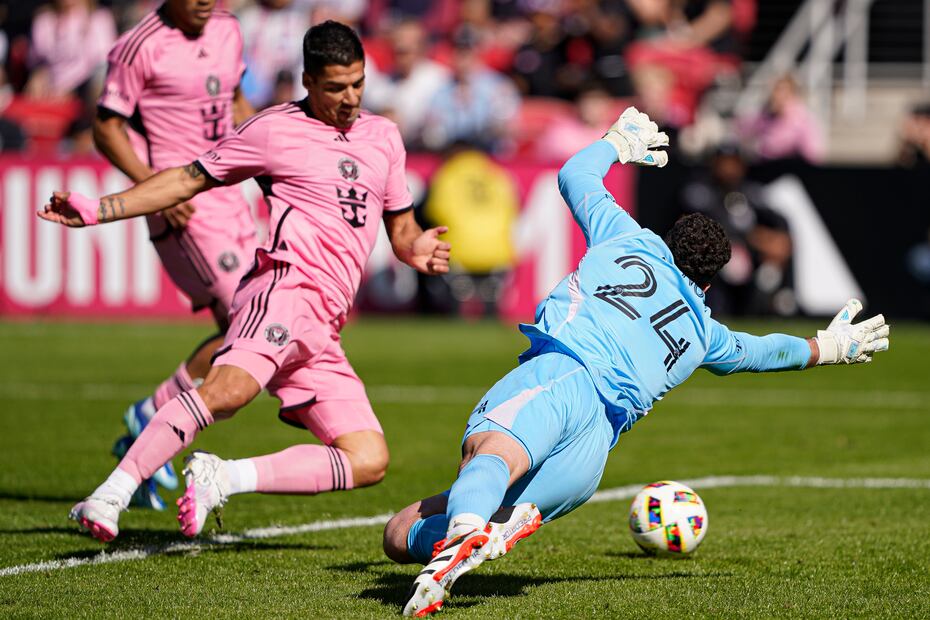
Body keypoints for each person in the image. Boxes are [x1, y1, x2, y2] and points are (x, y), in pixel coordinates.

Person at [380, 107, 890, 617]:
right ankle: (478, 535)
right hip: (590, 454)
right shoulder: (704, 334)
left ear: (666, 242)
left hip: (563, 378)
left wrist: (616, 144)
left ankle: (468, 530)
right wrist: (831, 347)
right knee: (400, 532)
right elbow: (761, 353)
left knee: (488, 453)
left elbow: (573, 174)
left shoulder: (629, 239)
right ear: (709, 284)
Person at [39, 20, 452, 543]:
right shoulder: (274, 130)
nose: (349, 98)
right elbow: (187, 177)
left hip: (324, 327)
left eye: (358, 84)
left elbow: (401, 227)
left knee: (368, 458)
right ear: (307, 80)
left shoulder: (384, 136)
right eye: (335, 87)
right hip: (283, 289)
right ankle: (110, 494)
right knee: (228, 391)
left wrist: (416, 248)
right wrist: (100, 209)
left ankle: (224, 476)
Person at [92, 0, 259, 509]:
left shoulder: (229, 29)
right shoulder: (138, 46)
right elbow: (105, 128)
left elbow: (234, 103)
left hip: (230, 196)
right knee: (245, 324)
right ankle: (153, 417)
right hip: (183, 204)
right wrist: (154, 188)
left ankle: (145, 446)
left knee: (248, 337)